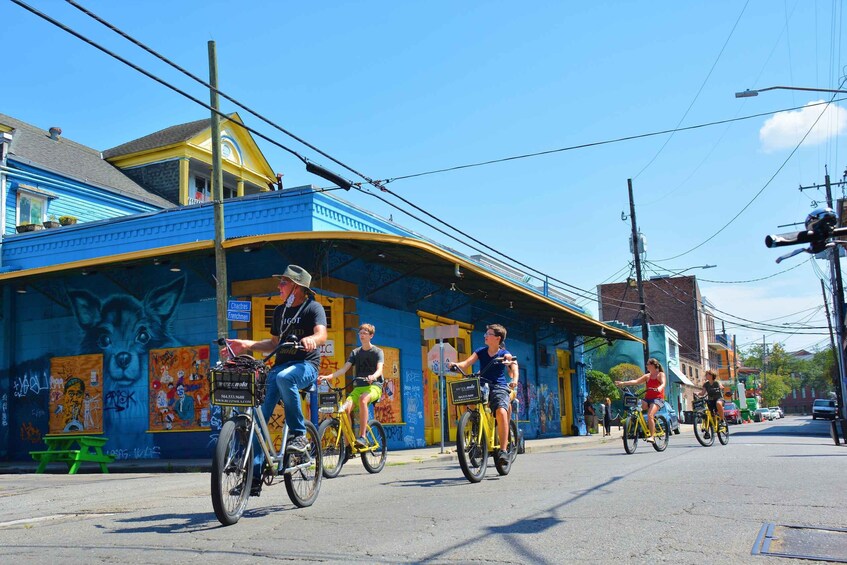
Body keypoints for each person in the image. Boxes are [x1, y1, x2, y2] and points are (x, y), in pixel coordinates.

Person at [225, 265, 327, 496]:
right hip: (280, 365)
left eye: (283, 282)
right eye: (280, 282)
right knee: (258, 421)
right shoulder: (279, 312)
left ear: (297, 287)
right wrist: (247, 345)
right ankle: (254, 478)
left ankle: (299, 436)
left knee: (284, 377)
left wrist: (312, 339)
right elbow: (272, 344)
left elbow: (322, 335)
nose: (279, 286)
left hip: (306, 365)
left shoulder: (313, 308)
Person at [450, 324, 518, 467]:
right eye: (485, 334)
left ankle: (503, 450)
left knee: (500, 411)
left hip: (498, 387)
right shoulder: (480, 351)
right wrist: (456, 364)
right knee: (467, 402)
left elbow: (513, 367)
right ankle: (475, 436)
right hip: (482, 385)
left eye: (488, 334)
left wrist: (514, 380)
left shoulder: (504, 353)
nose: (485, 336)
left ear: (498, 338)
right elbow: (466, 363)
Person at [318, 323, 384, 447]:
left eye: (365, 333)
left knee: (363, 400)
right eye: (360, 333)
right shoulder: (355, 353)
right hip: (358, 387)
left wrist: (373, 377)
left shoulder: (377, 352)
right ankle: (349, 445)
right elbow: (343, 370)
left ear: (371, 336)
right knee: (344, 410)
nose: (362, 335)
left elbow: (379, 369)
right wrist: (327, 377)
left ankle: (363, 436)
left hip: (374, 386)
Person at [615, 358, 667, 443]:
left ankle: (652, 436)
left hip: (658, 399)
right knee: (636, 409)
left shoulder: (660, 374)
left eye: (648, 364)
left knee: (650, 415)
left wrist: (659, 388)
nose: (646, 366)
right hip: (647, 398)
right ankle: (634, 428)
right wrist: (623, 383)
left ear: (653, 365)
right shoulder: (647, 376)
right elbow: (636, 381)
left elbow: (663, 383)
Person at [700, 370, 725, 438]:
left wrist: (720, 387)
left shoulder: (716, 382)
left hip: (719, 399)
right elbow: (703, 393)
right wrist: (697, 393)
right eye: (706, 375)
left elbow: (720, 386)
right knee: (706, 414)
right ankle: (707, 431)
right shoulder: (706, 384)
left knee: (718, 403)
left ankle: (722, 421)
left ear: (711, 375)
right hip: (710, 400)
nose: (706, 376)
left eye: (707, 374)